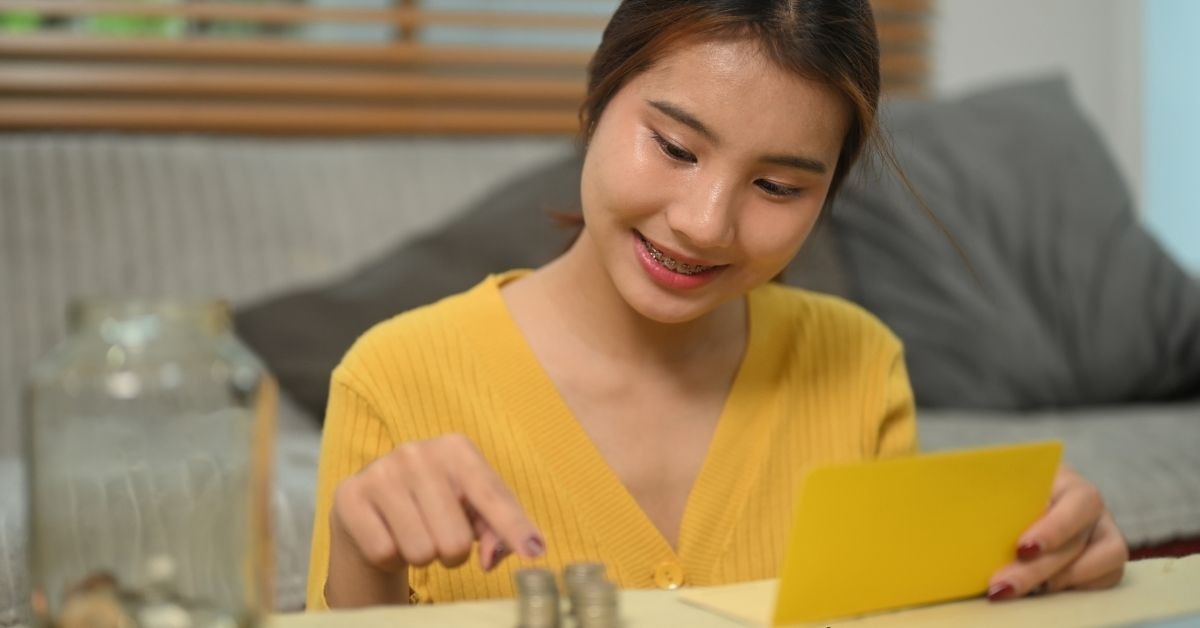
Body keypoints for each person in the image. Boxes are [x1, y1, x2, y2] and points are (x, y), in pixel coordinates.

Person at [306, 0, 1128, 609]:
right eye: (673, 146)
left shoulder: (860, 365)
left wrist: (1044, 572)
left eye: (777, 186)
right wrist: (362, 561)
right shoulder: (392, 378)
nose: (704, 225)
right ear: (596, 103)